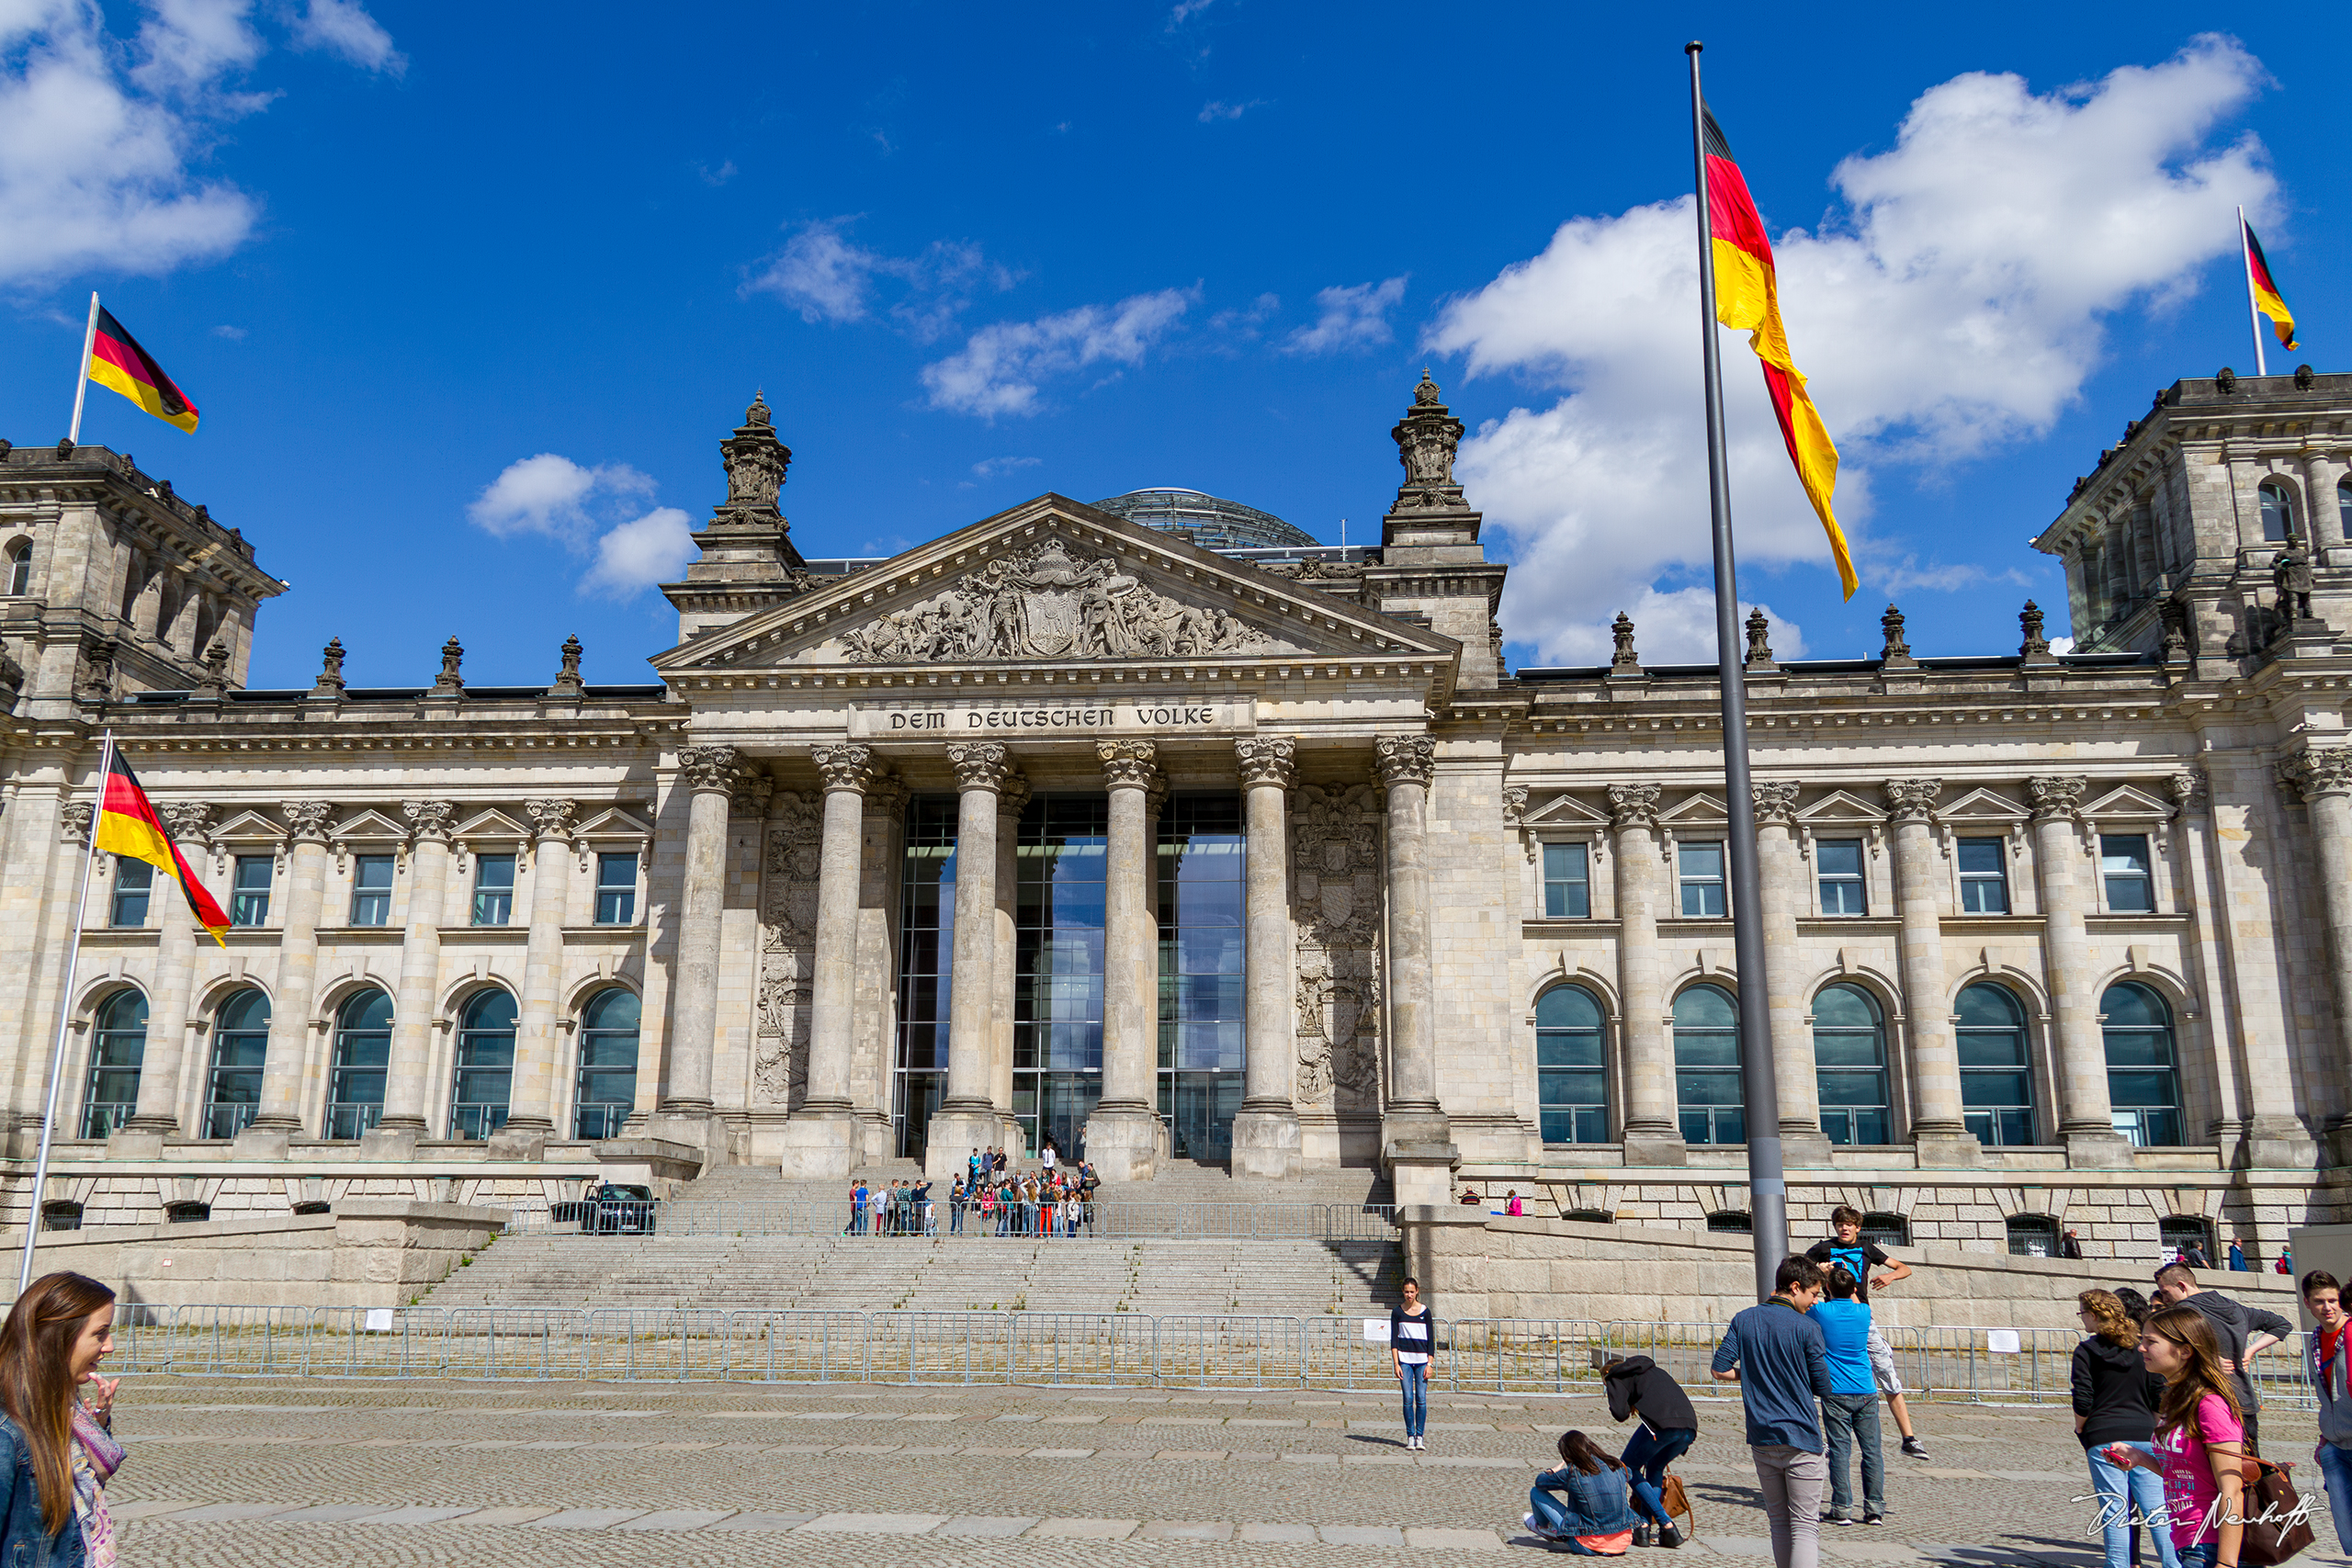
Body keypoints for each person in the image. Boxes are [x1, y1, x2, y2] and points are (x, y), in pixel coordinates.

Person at [1712, 1256, 1835, 1568]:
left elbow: (1719, 1370)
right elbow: (1822, 1385)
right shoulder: (1808, 1327)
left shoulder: (1744, 1319)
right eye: (1814, 1294)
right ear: (1796, 1288)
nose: (1815, 1302)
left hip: (1762, 1437)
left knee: (1779, 1522)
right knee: (1805, 1525)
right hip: (1801, 1437)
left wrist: (1750, 1373)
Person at [2107, 1305, 2245, 1568]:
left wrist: (2226, 1564)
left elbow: (2232, 1489)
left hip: (2209, 1544)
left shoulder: (2210, 1405)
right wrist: (2140, 1457)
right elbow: (2189, 1472)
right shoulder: (2176, 1400)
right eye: (2142, 1341)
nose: (2141, 1348)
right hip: (2186, 1540)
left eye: (2151, 1342)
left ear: (2184, 1351)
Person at [1, 1271, 121, 1567]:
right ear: (59, 1336)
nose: (109, 1346)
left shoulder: (62, 1412)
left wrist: (98, 1423)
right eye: (99, 1333)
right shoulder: (10, 1431)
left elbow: (81, 1501)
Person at [1804, 1206, 1927, 1460]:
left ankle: (1909, 1438)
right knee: (1816, 1375)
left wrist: (1891, 1276)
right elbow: (1797, 1273)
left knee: (1886, 1370)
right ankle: (1820, 1439)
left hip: (1861, 1316)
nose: (1844, 1228)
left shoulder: (1867, 1248)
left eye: (1849, 1224)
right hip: (1830, 1315)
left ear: (1858, 1227)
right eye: (1840, 1224)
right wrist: (1820, 1272)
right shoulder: (1822, 1249)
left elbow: (1905, 1268)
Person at [2075, 1289, 2178, 1568]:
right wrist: (2153, 1424)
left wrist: (2080, 1428)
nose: (2081, 1318)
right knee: (2158, 1510)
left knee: (2114, 1511)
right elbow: (2159, 1391)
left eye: (2082, 1312)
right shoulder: (2140, 1349)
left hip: (2104, 1435)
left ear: (2094, 1315)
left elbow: (2083, 1398)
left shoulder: (2086, 1350)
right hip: (2144, 1432)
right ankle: (2174, 1565)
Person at [2151, 1262, 2291, 1455]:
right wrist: (2249, 1351)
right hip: (2243, 1400)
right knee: (2251, 1468)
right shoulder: (2232, 1306)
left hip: (2207, 1401)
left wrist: (2209, 1360)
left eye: (2166, 1292)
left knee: (2217, 1472)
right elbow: (2281, 1324)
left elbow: (2175, 1350)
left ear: (2182, 1286)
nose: (2164, 1298)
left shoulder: (2184, 1312)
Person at [1812, 1266, 1884, 1527]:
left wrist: (1822, 1273)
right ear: (1855, 1289)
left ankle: (1842, 1508)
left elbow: (1806, 1303)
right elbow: (1853, 1297)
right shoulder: (1864, 1312)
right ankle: (1874, 1509)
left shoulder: (1821, 1311)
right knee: (1872, 1451)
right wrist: (1847, 1283)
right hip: (1866, 1388)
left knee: (1840, 1451)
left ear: (1827, 1288)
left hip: (1836, 1389)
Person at [1603, 1352, 1696, 1547]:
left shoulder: (1615, 1375)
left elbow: (1620, 1414)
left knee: (1626, 1466)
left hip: (1661, 1425)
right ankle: (1643, 1527)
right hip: (1689, 1427)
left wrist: (1614, 1393)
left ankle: (1666, 1524)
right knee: (1654, 1467)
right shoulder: (1654, 1371)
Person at [1525, 1429, 1639, 1554]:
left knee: (1536, 1492)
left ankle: (1543, 1527)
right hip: (1622, 1542)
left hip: (1588, 1544)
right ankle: (1548, 1528)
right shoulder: (1616, 1466)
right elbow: (1630, 1474)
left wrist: (1551, 1471)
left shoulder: (1572, 1473)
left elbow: (1540, 1482)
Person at [2302, 1269, 2352, 1554]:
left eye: (2332, 1300)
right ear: (2307, 1303)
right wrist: (2325, 1434)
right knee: (2345, 1523)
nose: (2328, 1307)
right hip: (2334, 1444)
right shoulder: (2315, 1339)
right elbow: (2328, 1394)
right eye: (2319, 1301)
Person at [1391, 1277, 1435, 1452]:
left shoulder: (1425, 1312)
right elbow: (1394, 1340)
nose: (1409, 1295)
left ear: (1417, 1291)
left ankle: (1420, 1436)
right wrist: (1396, 1363)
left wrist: (1430, 1364)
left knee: (1421, 1400)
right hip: (1405, 1362)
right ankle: (1410, 1436)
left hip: (1422, 1362)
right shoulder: (1397, 1312)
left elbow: (1431, 1340)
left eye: (1412, 1291)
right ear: (1403, 1292)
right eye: (1406, 1291)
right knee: (1408, 1399)